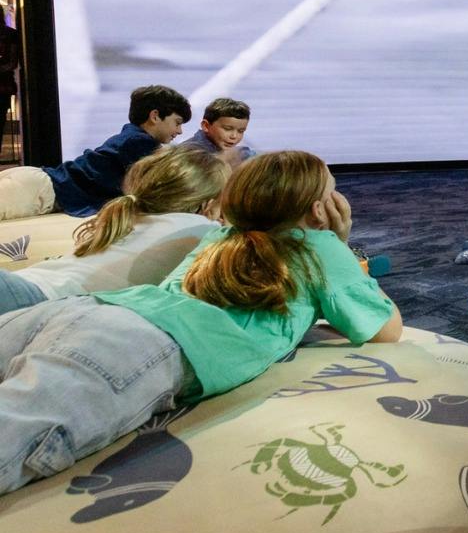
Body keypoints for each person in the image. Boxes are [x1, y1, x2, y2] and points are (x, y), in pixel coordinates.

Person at [0, 149, 401, 494]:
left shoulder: (217, 238)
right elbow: (386, 330)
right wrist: (342, 246)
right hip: (136, 343)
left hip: (88, 310)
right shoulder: (323, 247)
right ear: (320, 210)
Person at [0, 146, 227, 315]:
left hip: (25, 285)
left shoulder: (128, 215)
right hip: (36, 302)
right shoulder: (203, 229)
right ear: (208, 204)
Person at [0, 84, 190, 220]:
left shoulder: (133, 137)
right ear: (155, 116)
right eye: (177, 122)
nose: (179, 131)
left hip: (35, 185)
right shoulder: (141, 143)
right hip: (38, 190)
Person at [182, 96, 255, 160]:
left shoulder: (241, 155)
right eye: (227, 129)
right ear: (206, 126)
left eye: (241, 131)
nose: (234, 136)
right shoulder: (186, 154)